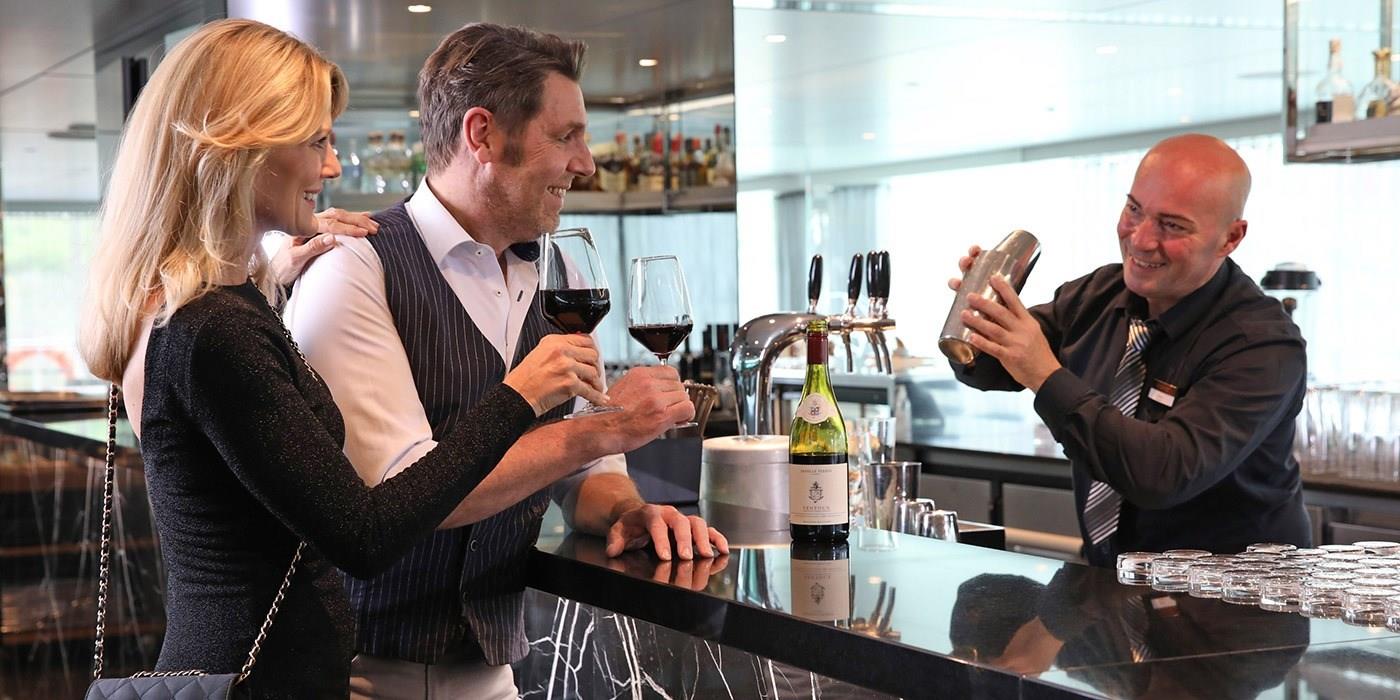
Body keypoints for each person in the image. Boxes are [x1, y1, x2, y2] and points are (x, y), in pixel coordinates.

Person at [77, 19, 605, 698]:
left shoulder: (201, 309)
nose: (330, 167)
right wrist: (519, 397)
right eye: (316, 142)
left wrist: (267, 277)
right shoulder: (214, 329)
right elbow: (365, 533)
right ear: (240, 147)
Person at [286, 22, 728, 699]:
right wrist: (607, 427)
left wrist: (627, 511)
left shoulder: (549, 276)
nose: (586, 163)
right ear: (483, 135)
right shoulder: (354, 269)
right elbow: (399, 494)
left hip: (492, 670)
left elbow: (579, 466)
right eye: (565, 136)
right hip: (360, 674)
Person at [948, 133, 1310, 566]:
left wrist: (1044, 374)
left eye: (1172, 225)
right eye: (1134, 210)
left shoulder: (1262, 345)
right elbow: (990, 367)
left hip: (1235, 596)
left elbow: (1161, 473)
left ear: (1230, 237)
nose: (1140, 239)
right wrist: (976, 314)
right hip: (1111, 581)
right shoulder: (1097, 295)